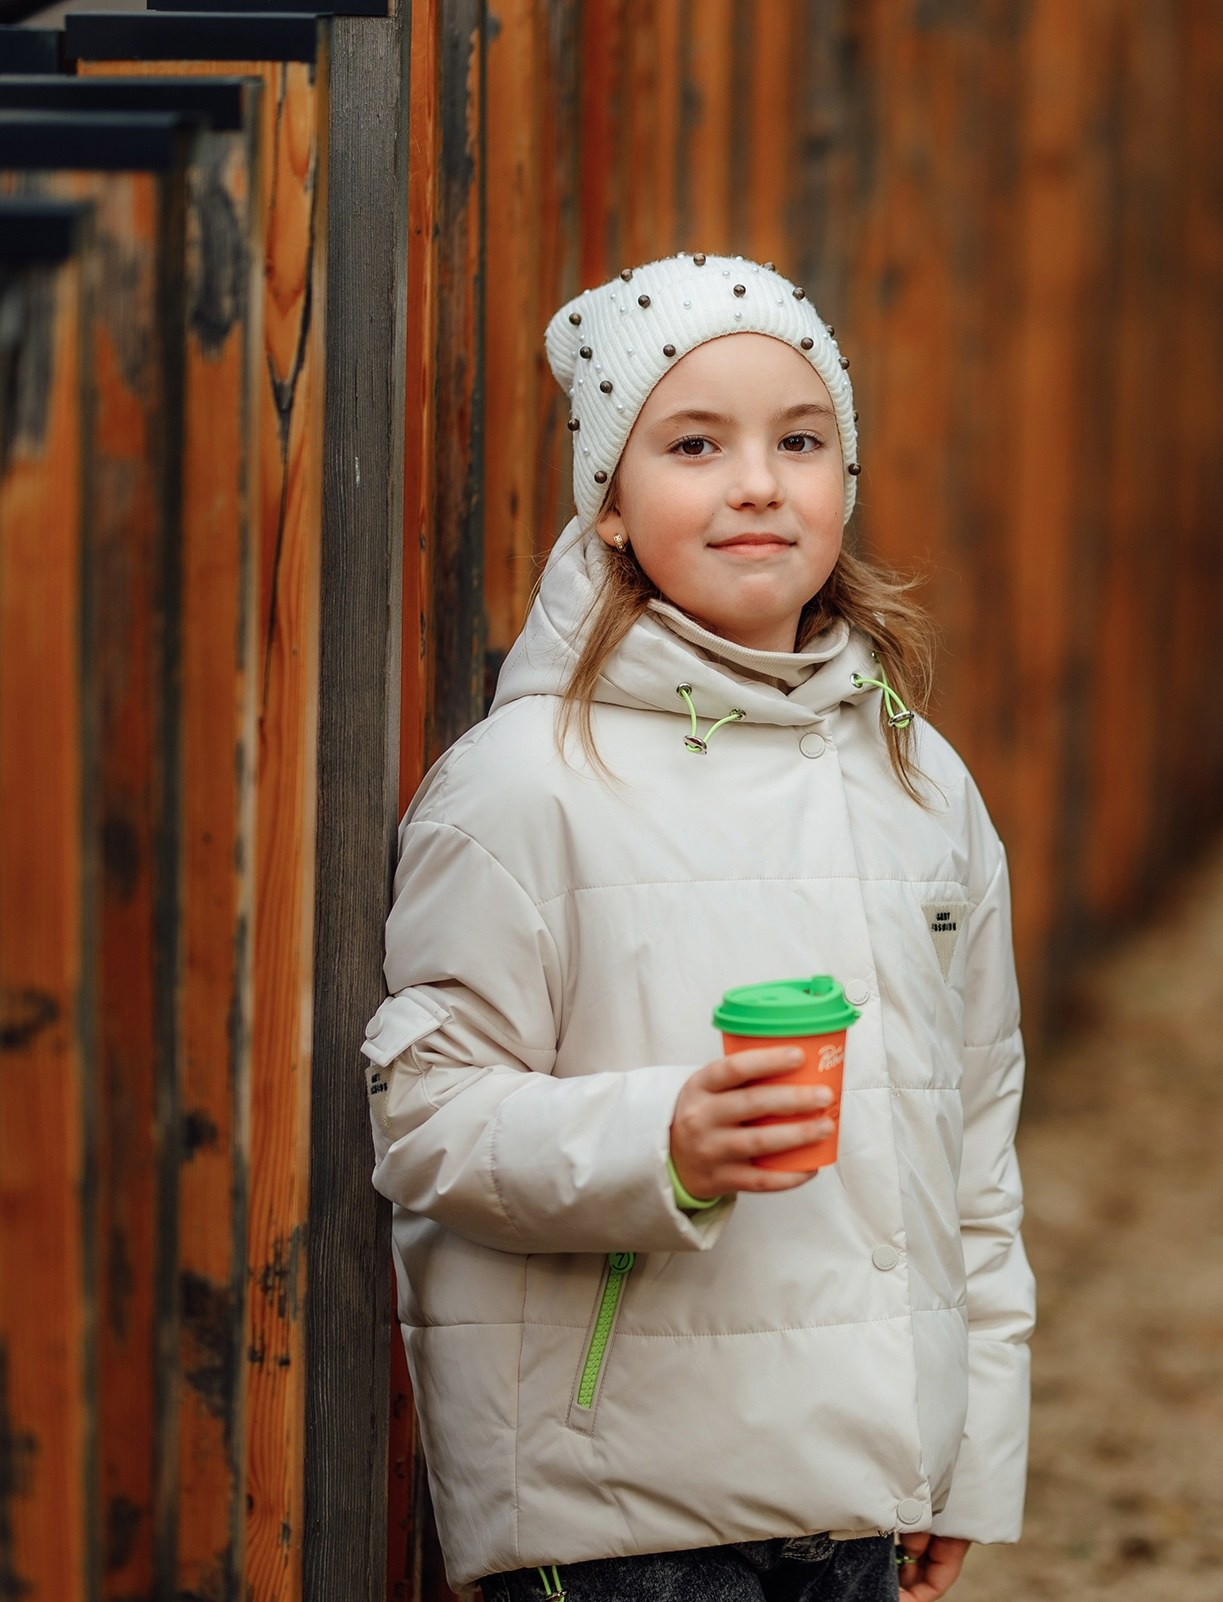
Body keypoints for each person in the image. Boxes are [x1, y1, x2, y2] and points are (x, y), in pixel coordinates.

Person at [363, 253, 1033, 1602]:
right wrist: (657, 1137)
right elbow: (421, 1110)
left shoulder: (916, 780)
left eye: (801, 438)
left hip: (851, 1507)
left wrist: (964, 1452)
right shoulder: (524, 785)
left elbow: (973, 1138)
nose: (756, 481)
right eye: (692, 442)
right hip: (618, 1522)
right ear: (607, 504)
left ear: (847, 476)